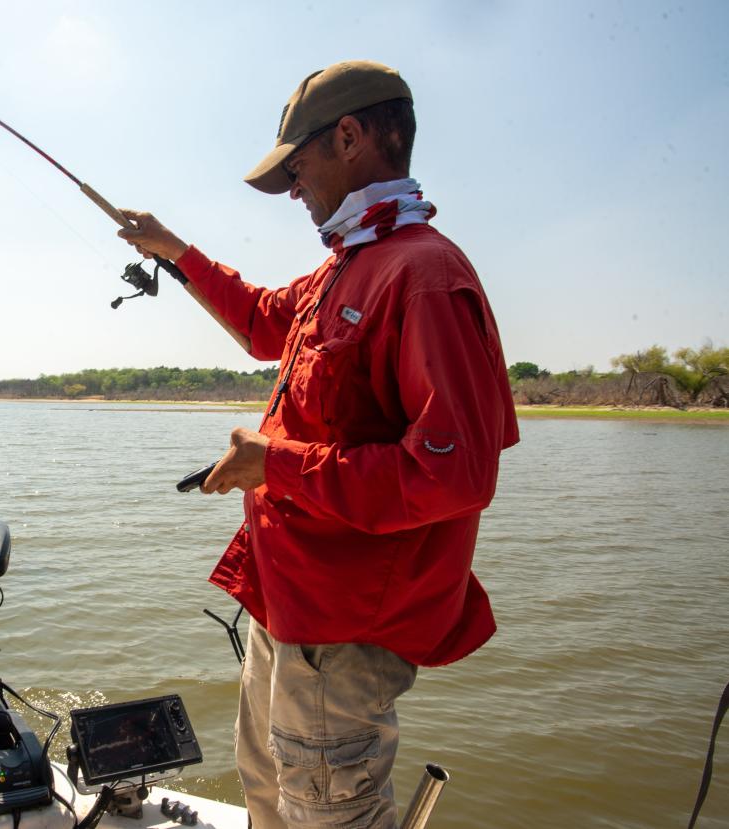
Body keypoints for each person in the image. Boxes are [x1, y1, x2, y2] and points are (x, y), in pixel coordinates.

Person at [118, 61, 519, 829]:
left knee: (326, 811)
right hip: (288, 606)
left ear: (350, 137)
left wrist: (274, 464)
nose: (294, 190)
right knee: (269, 791)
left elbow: (454, 474)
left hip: (344, 632)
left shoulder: (424, 274)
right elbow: (264, 319)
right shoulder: (349, 264)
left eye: (296, 169)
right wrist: (174, 251)